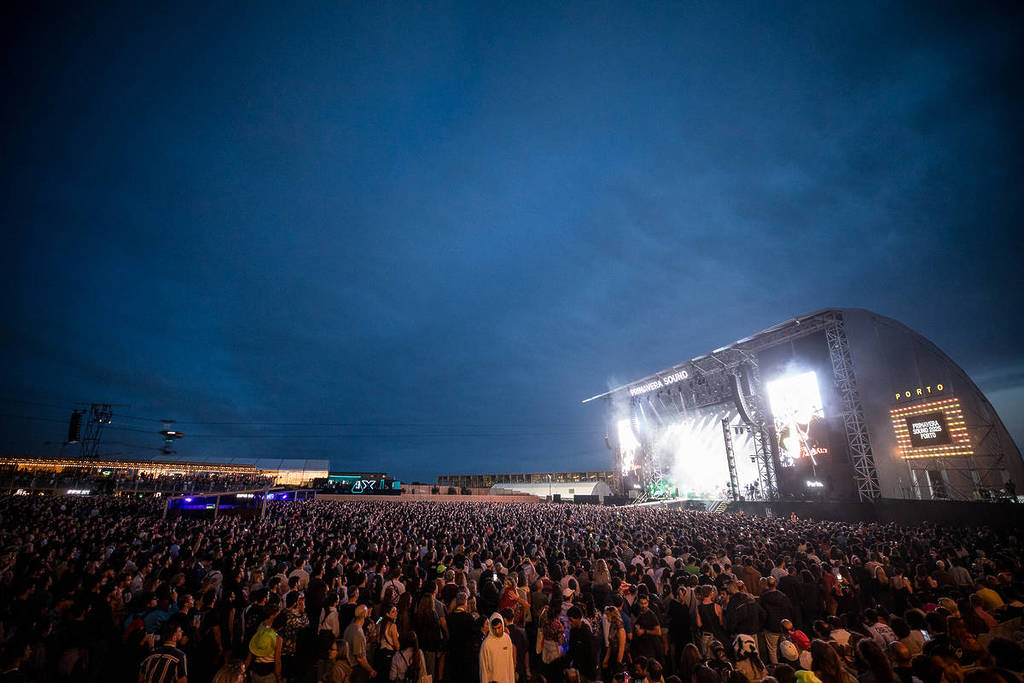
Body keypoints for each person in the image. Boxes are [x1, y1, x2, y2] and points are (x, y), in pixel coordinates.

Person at [246, 604, 283, 683]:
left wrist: (246, 667)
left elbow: (252, 651)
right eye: (278, 614)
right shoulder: (275, 636)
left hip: (256, 668)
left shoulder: (260, 627)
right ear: (272, 615)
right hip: (268, 671)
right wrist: (279, 677)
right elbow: (277, 658)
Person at [346, 604, 378, 683]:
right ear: (365, 615)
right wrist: (371, 670)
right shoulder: (359, 633)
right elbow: (360, 658)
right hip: (354, 669)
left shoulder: (349, 627)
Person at [480, 613, 515, 683]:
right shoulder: (486, 644)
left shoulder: (507, 639)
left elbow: (510, 664)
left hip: (506, 679)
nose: (497, 631)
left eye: (499, 628)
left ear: (503, 625)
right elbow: (483, 669)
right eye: (494, 628)